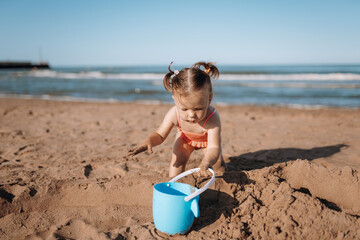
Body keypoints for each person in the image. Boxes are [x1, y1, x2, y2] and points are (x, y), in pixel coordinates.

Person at [127, 61, 226, 178]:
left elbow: (214, 147)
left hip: (207, 142)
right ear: (175, 100)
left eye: (198, 109)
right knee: (177, 160)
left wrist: (206, 162)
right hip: (185, 138)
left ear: (209, 99)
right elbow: (160, 135)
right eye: (184, 109)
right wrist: (149, 141)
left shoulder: (212, 118)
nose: (191, 115)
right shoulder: (174, 113)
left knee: (217, 165)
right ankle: (174, 182)